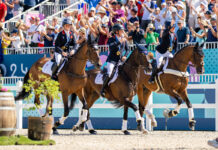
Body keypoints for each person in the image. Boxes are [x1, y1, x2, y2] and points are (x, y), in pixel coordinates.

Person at [100, 24, 130, 97]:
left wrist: (125, 56)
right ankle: (103, 89)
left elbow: (128, 49)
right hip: (112, 60)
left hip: (120, 60)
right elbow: (112, 47)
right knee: (109, 73)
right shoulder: (111, 38)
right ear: (116, 31)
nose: (123, 32)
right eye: (121, 30)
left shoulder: (124, 39)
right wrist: (119, 42)